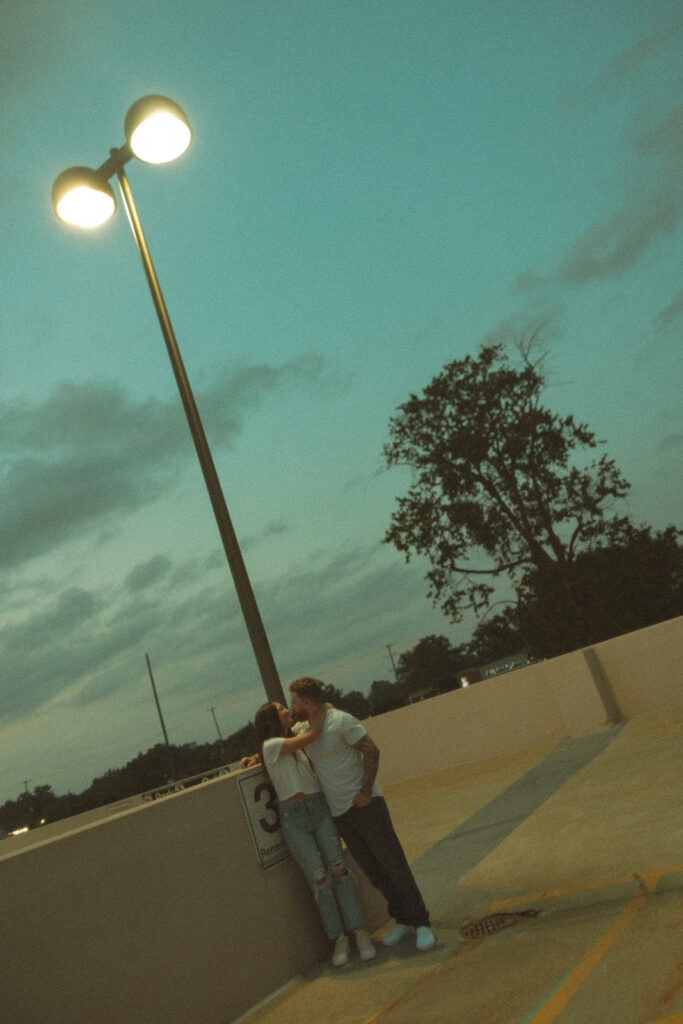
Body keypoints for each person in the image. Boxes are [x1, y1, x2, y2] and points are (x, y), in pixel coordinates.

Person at [253, 699, 376, 968]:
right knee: (320, 881)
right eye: (281, 709)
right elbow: (312, 734)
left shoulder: (292, 739)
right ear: (273, 719)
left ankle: (359, 931)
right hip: (294, 820)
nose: (288, 710)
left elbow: (305, 735)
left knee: (339, 871)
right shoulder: (271, 745)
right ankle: (338, 939)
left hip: (319, 810)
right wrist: (324, 710)